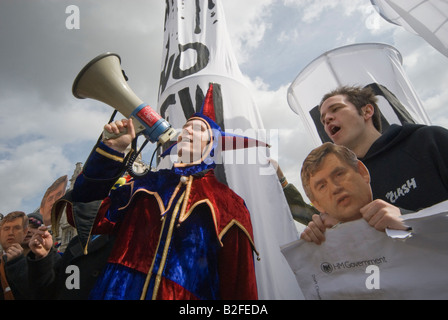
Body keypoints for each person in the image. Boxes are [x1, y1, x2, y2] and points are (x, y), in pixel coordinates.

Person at [66, 84, 261, 300]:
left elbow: (241, 288)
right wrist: (110, 152)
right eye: (185, 127)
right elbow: (83, 216)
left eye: (197, 129)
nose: (187, 130)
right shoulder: (145, 184)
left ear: (212, 142)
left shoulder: (230, 204)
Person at [283, 85, 448, 240]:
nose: (327, 120)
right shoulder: (346, 179)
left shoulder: (428, 141)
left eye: (336, 109)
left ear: (367, 111)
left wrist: (407, 221)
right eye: (323, 120)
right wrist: (327, 234)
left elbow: (407, 230)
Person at [0, 211, 32, 300]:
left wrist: (18, 263)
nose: (10, 232)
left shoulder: (37, 263)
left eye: (16, 228)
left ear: (25, 232)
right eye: (6, 228)